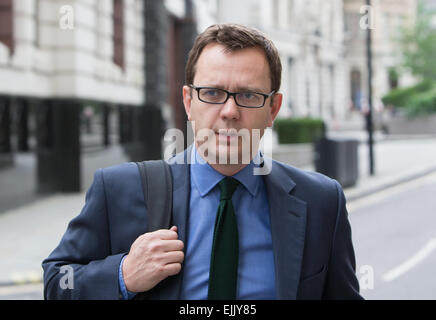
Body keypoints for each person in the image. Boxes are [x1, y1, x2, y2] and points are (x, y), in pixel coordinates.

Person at [42, 24, 362, 300]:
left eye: (248, 95)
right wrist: (122, 275)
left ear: (273, 109)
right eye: (212, 93)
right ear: (188, 101)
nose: (229, 111)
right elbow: (58, 283)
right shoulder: (118, 189)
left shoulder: (321, 201)